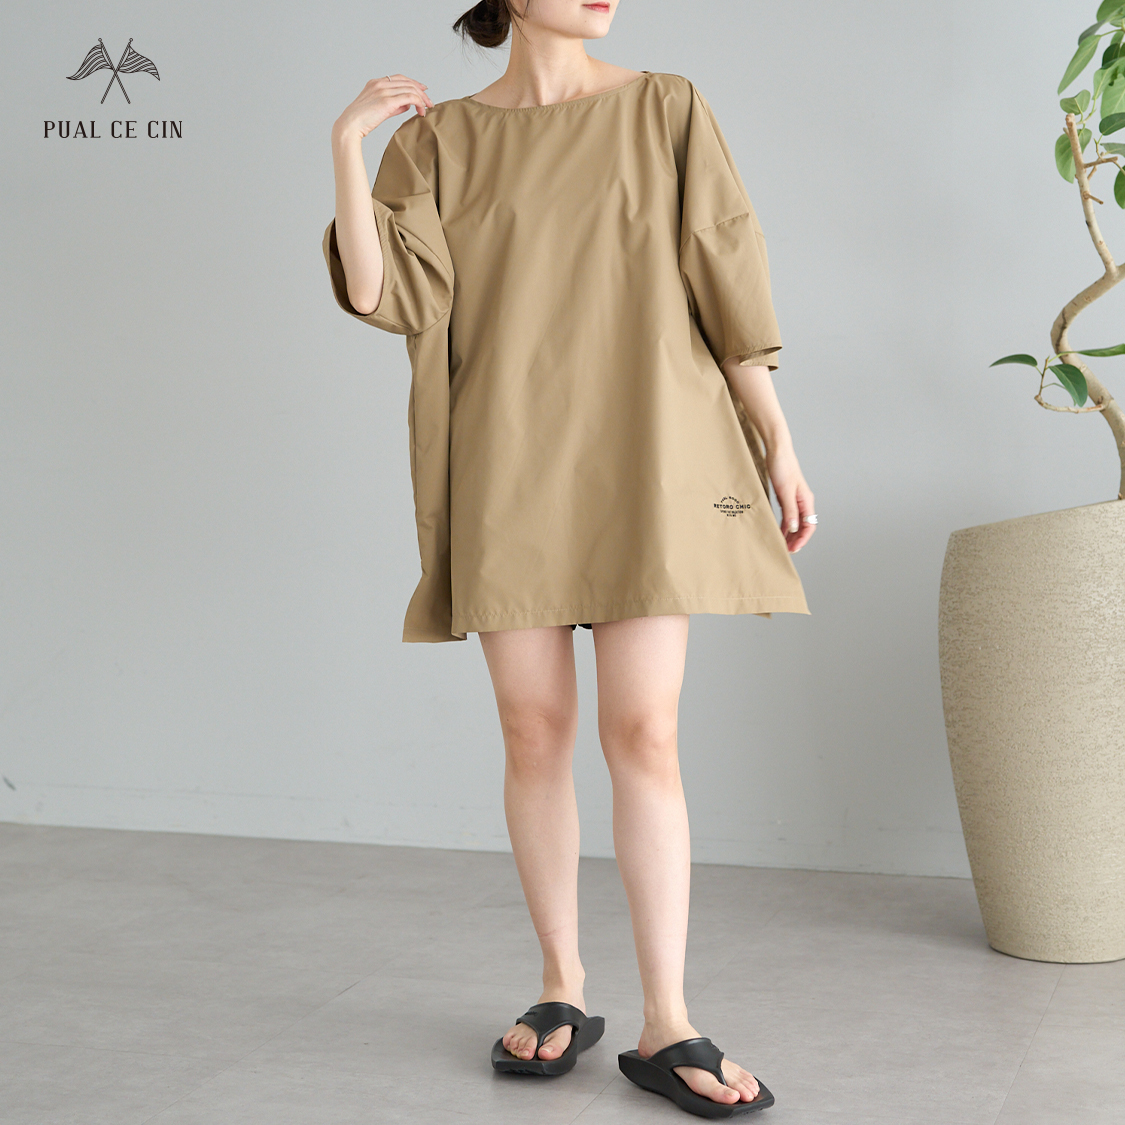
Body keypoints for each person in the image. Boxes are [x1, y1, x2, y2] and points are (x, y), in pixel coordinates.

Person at [323, 1, 816, 1116]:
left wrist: (777, 442)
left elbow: (724, 272)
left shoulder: (664, 107)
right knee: (533, 730)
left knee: (645, 732)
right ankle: (561, 987)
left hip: (653, 451)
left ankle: (667, 1018)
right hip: (508, 459)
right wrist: (345, 145)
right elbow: (378, 291)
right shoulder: (439, 140)